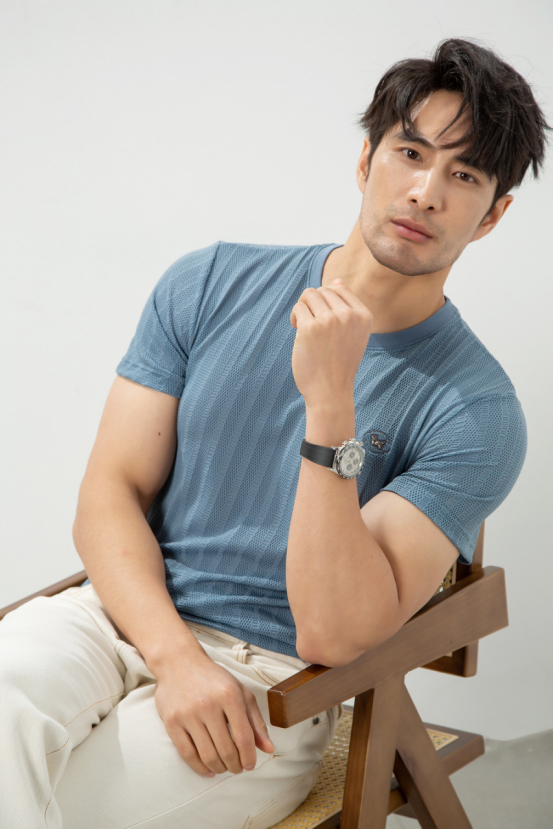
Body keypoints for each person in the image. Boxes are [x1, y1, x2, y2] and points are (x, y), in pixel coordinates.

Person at [1, 36, 550, 829]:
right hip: (115, 614)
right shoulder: (208, 281)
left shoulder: (477, 412)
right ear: (365, 161)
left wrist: (330, 408)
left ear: (492, 214)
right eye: (410, 153)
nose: (425, 192)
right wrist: (173, 656)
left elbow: (333, 632)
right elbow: (109, 493)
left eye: (463, 176)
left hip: (270, 681)